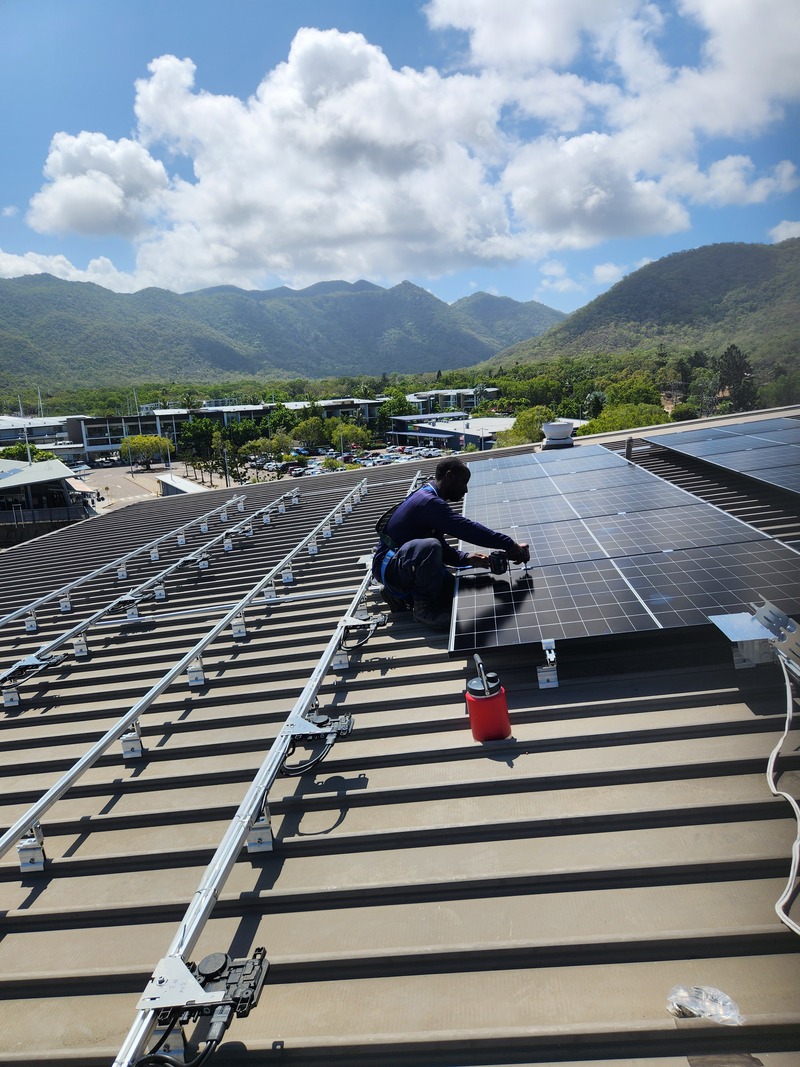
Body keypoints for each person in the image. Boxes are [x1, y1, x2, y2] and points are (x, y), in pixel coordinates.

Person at [373, 456, 530, 630]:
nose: (466, 489)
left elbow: (441, 548)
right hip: (390, 567)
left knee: (451, 591)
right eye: (463, 482)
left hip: (401, 564)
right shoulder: (428, 502)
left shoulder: (430, 495)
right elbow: (466, 529)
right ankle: (423, 610)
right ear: (450, 476)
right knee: (430, 547)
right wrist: (509, 545)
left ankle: (396, 595)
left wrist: (467, 558)